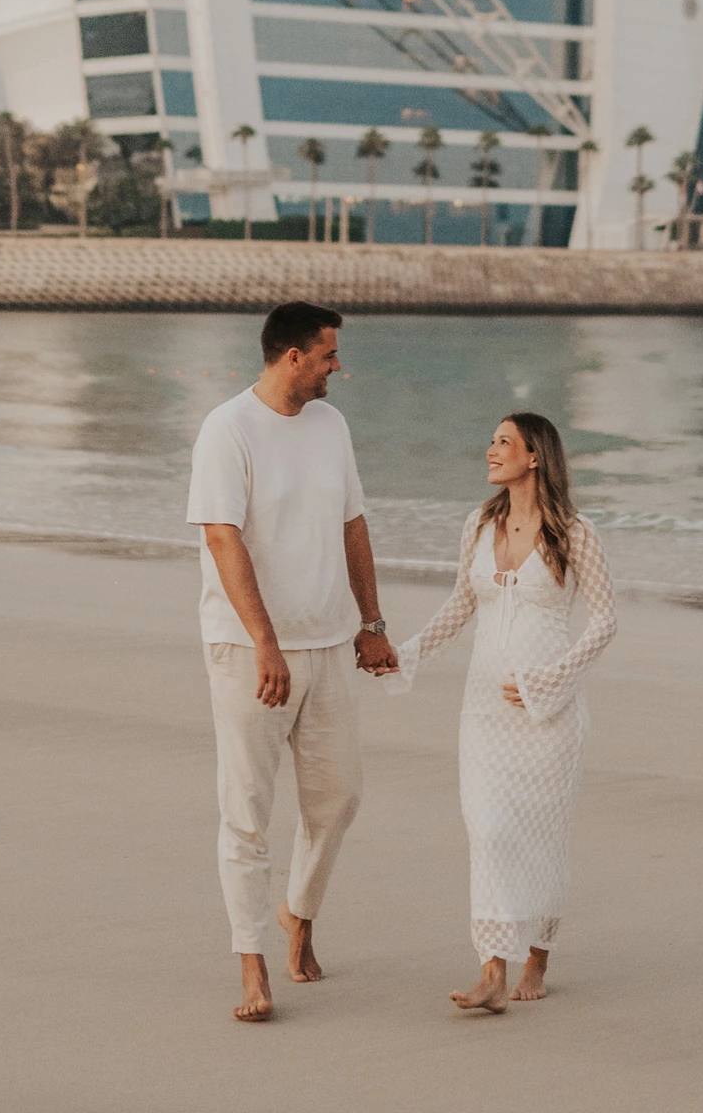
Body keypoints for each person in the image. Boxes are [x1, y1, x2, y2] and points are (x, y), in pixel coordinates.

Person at [186, 300, 399, 1023]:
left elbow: (354, 523)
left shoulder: (330, 426)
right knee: (246, 811)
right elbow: (222, 537)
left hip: (330, 641)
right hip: (250, 651)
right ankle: (252, 968)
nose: (339, 365)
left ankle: (297, 913)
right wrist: (265, 643)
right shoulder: (227, 428)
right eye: (330, 354)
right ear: (293, 358)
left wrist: (371, 622)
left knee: (338, 798)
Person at [383, 410, 617, 1012]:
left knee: (540, 837)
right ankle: (492, 969)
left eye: (503, 442)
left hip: (551, 717)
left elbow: (605, 621)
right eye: (490, 440)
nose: (490, 451)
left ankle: (536, 958)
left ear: (534, 455)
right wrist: (405, 654)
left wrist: (553, 678)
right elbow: (461, 604)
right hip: (483, 711)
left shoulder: (576, 532)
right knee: (487, 831)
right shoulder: (478, 526)